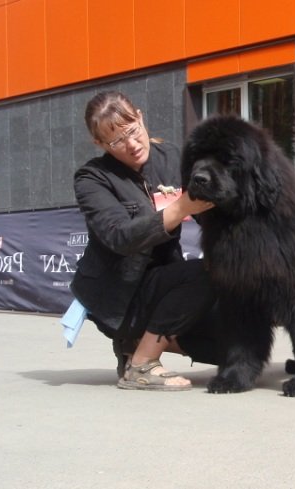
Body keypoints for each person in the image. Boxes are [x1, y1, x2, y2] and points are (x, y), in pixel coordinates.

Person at [70, 91, 220, 391]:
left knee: (233, 348)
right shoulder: (91, 178)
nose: (132, 144)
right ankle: (141, 363)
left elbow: (212, 214)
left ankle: (140, 341)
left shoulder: (174, 158)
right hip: (122, 293)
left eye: (133, 131)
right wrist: (180, 208)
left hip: (168, 282)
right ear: (100, 144)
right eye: (117, 141)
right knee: (207, 273)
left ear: (140, 117)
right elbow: (120, 237)